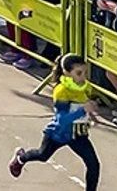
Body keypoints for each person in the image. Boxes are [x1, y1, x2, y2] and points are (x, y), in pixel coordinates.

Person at [9, 54, 101, 189]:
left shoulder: (83, 87)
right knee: (42, 155)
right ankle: (20, 158)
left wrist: (91, 113)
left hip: (78, 135)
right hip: (58, 133)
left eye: (85, 73)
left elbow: (83, 104)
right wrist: (83, 110)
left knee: (93, 164)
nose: (83, 77)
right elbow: (62, 119)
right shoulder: (61, 91)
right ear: (67, 72)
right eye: (79, 73)